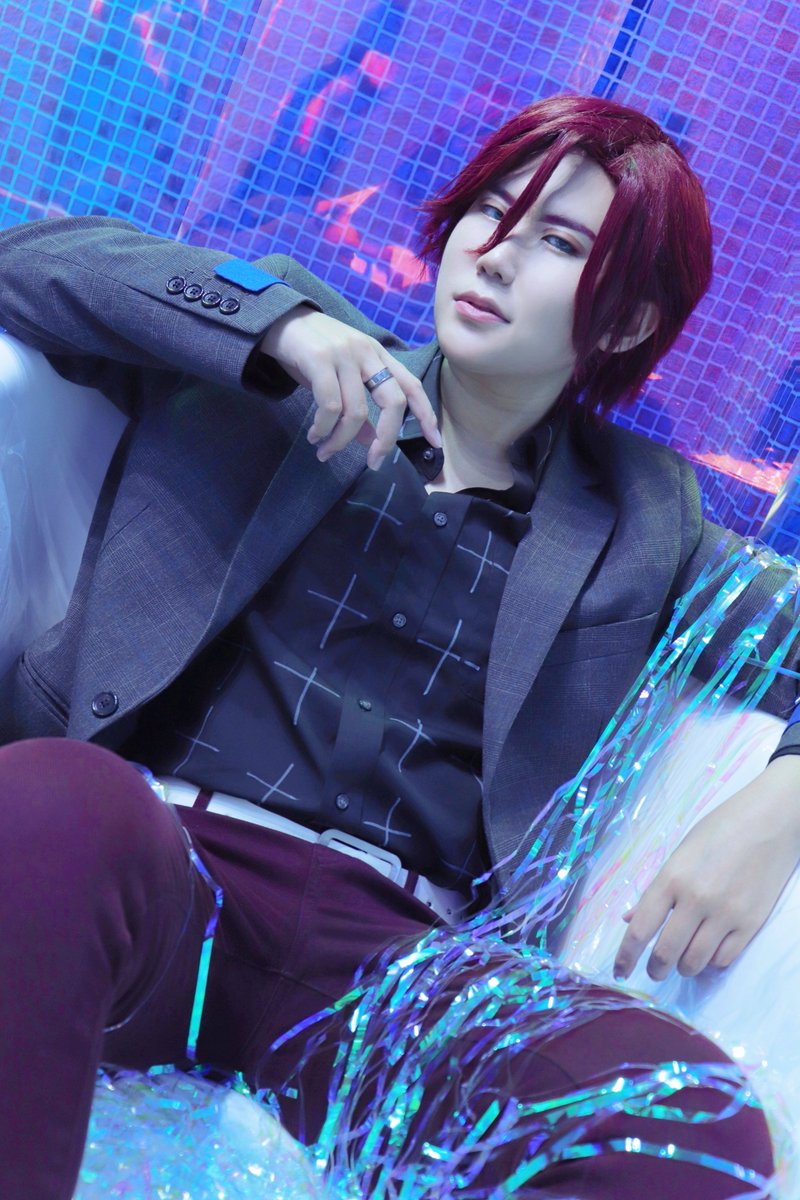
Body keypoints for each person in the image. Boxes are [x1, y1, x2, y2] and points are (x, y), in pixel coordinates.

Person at [0, 93, 795, 1198]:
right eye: (491, 211)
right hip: (166, 869)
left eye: (559, 243)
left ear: (621, 323)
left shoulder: (640, 517)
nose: (496, 253)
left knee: (692, 1121)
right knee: (42, 798)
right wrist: (272, 326)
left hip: (396, 972)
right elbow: (26, 267)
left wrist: (781, 800)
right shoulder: (281, 361)